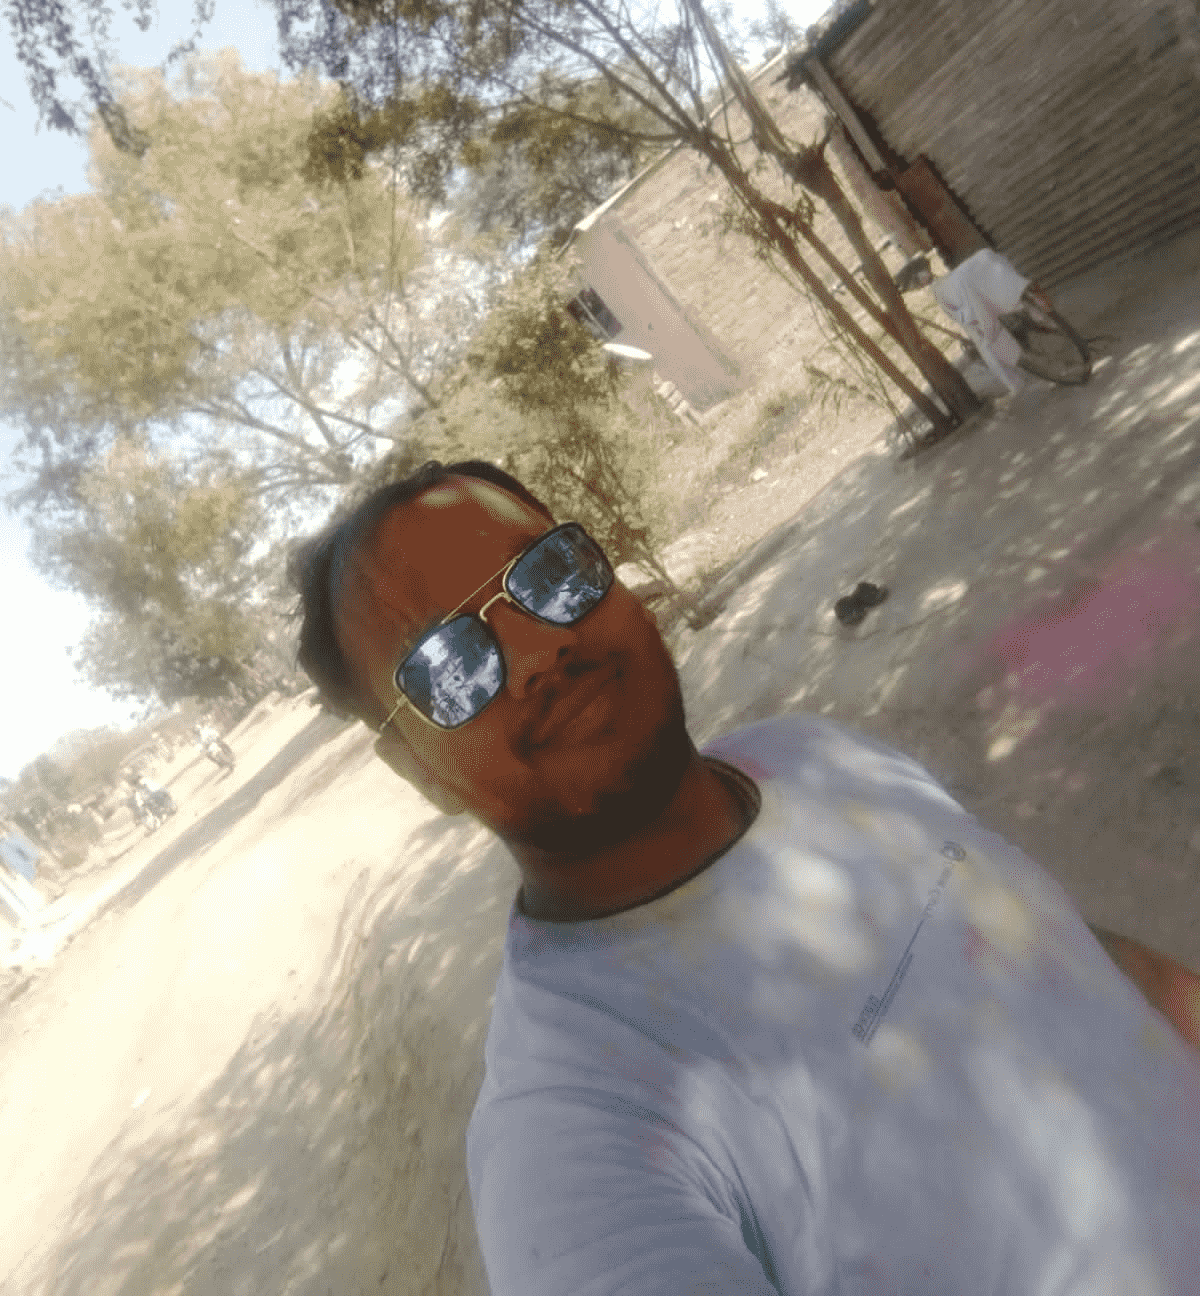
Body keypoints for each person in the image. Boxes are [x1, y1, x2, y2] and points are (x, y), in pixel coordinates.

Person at [290, 458, 1200, 1296]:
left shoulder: (807, 752)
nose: (536, 650)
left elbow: (1065, 957)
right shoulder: (571, 1145)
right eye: (448, 666)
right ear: (420, 772)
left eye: (548, 573)